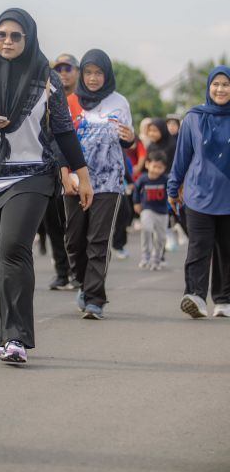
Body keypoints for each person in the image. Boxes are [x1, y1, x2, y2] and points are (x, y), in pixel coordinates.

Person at [0, 8, 93, 363]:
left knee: (13, 248)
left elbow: (63, 131)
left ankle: (17, 339)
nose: (7, 41)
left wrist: (82, 176)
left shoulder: (46, 79)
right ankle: (0, 334)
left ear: (29, 38)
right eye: (1, 35)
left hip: (31, 176)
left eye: (15, 36)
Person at [63, 49, 134, 320]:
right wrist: (65, 175)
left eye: (99, 73)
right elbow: (59, 140)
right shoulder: (70, 102)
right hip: (74, 181)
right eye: (88, 72)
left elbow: (127, 139)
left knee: (98, 241)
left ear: (107, 75)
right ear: (81, 74)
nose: (93, 78)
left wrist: (130, 138)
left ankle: (95, 298)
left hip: (108, 181)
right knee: (74, 240)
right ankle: (84, 283)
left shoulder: (119, 102)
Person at [168, 66, 230, 318]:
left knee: (227, 251)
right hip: (198, 195)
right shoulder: (193, 118)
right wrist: (173, 187)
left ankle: (224, 300)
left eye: (226, 84)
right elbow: (182, 157)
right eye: (216, 84)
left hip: (228, 198)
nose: (220, 89)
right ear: (208, 87)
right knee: (198, 247)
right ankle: (195, 296)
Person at [45, 53, 81, 291]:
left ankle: (78, 271)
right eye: (58, 69)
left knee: (76, 226)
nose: (63, 73)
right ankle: (61, 271)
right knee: (54, 223)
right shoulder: (46, 99)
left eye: (68, 68)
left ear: (77, 71)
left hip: (79, 170)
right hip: (50, 169)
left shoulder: (84, 101)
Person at [133, 151, 168, 270]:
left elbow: (172, 190)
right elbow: (136, 190)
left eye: (160, 167)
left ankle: (156, 258)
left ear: (164, 168)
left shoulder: (165, 179)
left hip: (162, 212)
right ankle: (146, 255)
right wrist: (136, 203)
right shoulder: (143, 179)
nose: (156, 170)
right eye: (154, 166)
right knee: (146, 228)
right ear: (147, 164)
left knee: (161, 238)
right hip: (147, 209)